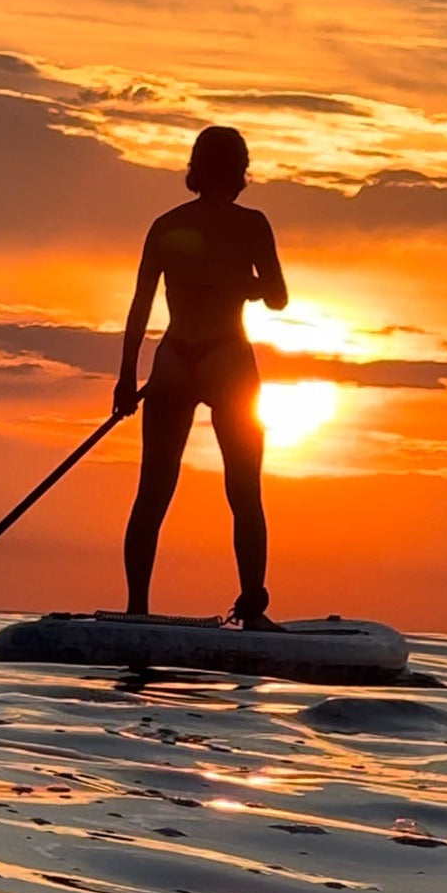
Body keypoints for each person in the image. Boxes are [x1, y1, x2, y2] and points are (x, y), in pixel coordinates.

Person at [114, 126, 288, 630]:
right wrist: (244, 284)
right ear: (240, 172)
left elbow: (140, 308)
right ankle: (253, 611)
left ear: (195, 169)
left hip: (171, 360)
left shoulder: (166, 224)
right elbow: (278, 298)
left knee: (153, 492)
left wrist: (127, 378)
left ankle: (135, 610)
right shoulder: (253, 225)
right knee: (244, 492)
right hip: (226, 358)